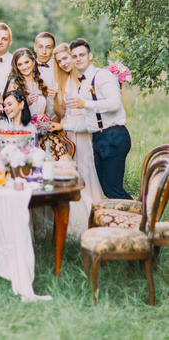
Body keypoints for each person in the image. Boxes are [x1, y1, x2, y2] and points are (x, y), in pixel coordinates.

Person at [52, 38, 132, 200]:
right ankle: (137, 219)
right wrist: (64, 128)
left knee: (113, 190)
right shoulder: (84, 83)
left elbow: (115, 104)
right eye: (74, 56)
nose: (78, 59)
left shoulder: (103, 75)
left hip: (113, 137)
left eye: (81, 55)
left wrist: (85, 103)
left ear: (90, 56)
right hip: (99, 138)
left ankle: (143, 220)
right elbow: (90, 123)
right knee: (109, 190)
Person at [52, 43, 102, 234]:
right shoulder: (62, 81)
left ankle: (93, 213)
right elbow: (61, 111)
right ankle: (74, 218)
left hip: (82, 126)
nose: (64, 63)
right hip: (66, 128)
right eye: (59, 61)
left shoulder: (84, 78)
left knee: (86, 167)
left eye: (66, 58)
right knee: (71, 169)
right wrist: (56, 98)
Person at [6, 48, 48, 117]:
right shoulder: (14, 86)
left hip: (41, 126)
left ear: (33, 62)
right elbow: (10, 113)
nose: (24, 67)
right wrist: (27, 103)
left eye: (26, 62)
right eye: (20, 64)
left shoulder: (41, 84)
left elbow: (44, 112)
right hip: (23, 126)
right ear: (17, 67)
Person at [34, 32, 56, 119]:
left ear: (53, 49)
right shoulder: (27, 67)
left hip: (55, 120)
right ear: (35, 48)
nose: (44, 52)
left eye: (48, 47)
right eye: (40, 47)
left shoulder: (59, 68)